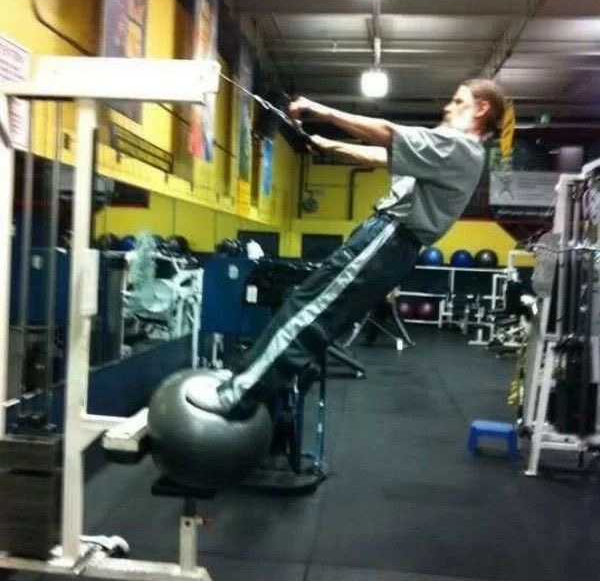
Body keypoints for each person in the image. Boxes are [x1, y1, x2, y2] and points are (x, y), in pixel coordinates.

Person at [187, 78, 507, 417]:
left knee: (310, 315)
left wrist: (316, 109)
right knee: (303, 304)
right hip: (385, 238)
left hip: (390, 238)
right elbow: (383, 155)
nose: (447, 107)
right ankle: (243, 376)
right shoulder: (456, 152)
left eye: (458, 101)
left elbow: (387, 133)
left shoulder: (459, 147)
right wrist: (327, 145)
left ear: (482, 108)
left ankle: (238, 397)